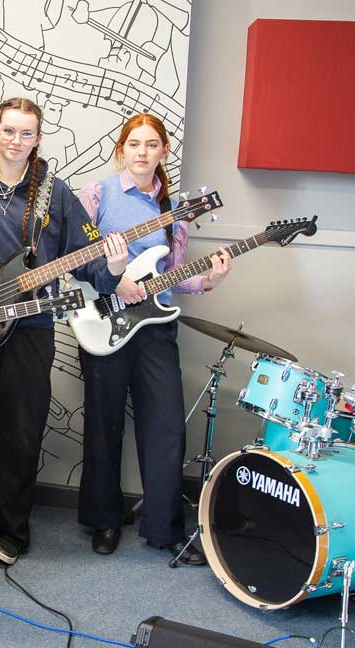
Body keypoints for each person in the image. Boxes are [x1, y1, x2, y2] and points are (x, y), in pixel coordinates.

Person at [0, 97, 128, 566]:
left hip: (33, 327)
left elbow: (87, 256)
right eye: (9, 131)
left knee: (22, 434)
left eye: (27, 133)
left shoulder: (55, 194)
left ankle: (11, 531)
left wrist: (112, 269)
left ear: (38, 139)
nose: (16, 141)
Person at [74, 113, 231, 562]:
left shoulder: (173, 210)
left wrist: (209, 280)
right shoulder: (96, 194)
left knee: (165, 425)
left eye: (151, 144)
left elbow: (173, 274)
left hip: (155, 327)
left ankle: (164, 529)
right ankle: (104, 520)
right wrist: (114, 279)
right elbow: (75, 257)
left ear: (164, 151)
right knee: (103, 423)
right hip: (103, 320)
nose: (142, 152)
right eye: (134, 144)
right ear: (121, 149)